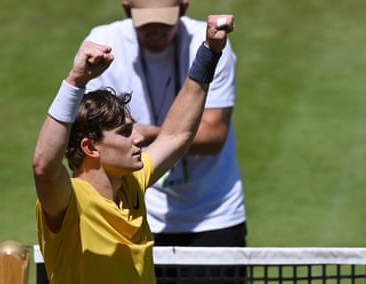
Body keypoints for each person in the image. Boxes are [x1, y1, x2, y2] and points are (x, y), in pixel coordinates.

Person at [33, 15, 234, 284]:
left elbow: (175, 135)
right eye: (125, 132)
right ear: (90, 147)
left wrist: (210, 52)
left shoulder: (131, 184)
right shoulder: (70, 201)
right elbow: (44, 167)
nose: (139, 138)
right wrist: (75, 82)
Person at [83, 1, 246, 250]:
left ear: (184, 7)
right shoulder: (102, 45)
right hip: (136, 214)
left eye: (165, 21)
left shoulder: (208, 42)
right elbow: (92, 136)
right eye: (147, 23)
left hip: (213, 214)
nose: (156, 30)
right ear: (127, 9)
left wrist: (148, 134)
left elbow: (213, 135)